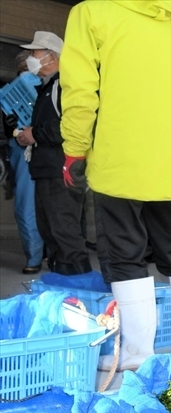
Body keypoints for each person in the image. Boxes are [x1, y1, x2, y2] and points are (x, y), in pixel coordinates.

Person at [59, 0, 171, 370]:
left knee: (124, 254)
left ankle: (139, 354)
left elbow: (79, 87)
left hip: (122, 158)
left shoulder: (91, 13)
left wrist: (74, 147)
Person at [15, 31, 90, 276]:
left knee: (65, 235)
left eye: (35, 53)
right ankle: (62, 288)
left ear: (51, 56)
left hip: (62, 170)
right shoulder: (47, 88)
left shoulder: (65, 85)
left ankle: (78, 293)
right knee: (52, 234)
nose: (30, 58)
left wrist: (35, 133)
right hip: (47, 170)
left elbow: (71, 124)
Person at [3, 51, 45, 274]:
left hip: (48, 150)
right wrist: (11, 127)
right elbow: (8, 129)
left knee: (51, 205)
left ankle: (47, 253)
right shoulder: (12, 93)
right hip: (22, 151)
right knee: (27, 205)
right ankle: (35, 255)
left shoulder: (50, 88)